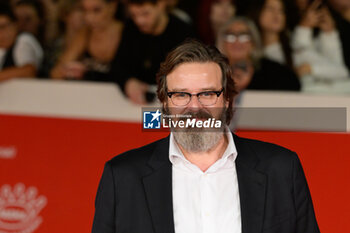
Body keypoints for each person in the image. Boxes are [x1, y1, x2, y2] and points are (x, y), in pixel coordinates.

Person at [91, 40, 320, 232]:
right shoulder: (122, 177)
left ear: (227, 99)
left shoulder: (281, 169)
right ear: (165, 102)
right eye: (181, 95)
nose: (194, 107)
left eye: (207, 93)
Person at [112, 0, 194, 104]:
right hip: (135, 103)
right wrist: (128, 82)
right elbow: (118, 65)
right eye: (134, 15)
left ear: (161, 5)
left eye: (145, 14)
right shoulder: (131, 28)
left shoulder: (182, 32)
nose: (139, 21)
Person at [217, 17, 300, 92]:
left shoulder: (276, 73)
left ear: (253, 42)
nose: (237, 42)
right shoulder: (213, 72)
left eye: (244, 36)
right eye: (230, 36)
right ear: (221, 42)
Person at [50, 0, 123, 82]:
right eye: (84, 10)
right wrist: (68, 71)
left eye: (96, 10)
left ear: (113, 6)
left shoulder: (128, 33)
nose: (89, 18)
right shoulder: (85, 33)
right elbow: (55, 73)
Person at [291, 0, 349, 86]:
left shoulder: (337, 25)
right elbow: (301, 62)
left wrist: (329, 34)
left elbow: (340, 72)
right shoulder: (290, 25)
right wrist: (304, 28)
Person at [0, 3, 43, 81]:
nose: (1, 33)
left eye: (3, 27)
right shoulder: (3, 49)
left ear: (15, 25)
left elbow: (28, 71)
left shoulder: (23, 40)